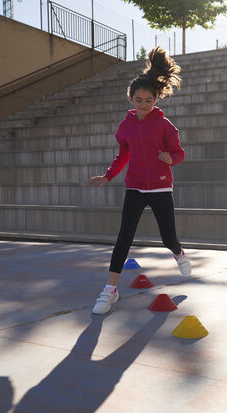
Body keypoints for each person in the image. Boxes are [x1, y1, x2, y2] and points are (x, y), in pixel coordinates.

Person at [89, 46, 191, 315]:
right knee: (124, 237)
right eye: (138, 100)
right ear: (131, 99)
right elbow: (123, 155)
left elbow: (179, 153)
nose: (143, 104)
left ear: (156, 98)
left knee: (168, 237)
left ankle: (178, 252)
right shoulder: (125, 127)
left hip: (160, 187)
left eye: (148, 100)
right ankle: (110, 290)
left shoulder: (165, 126)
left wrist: (171, 158)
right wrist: (108, 175)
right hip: (135, 186)